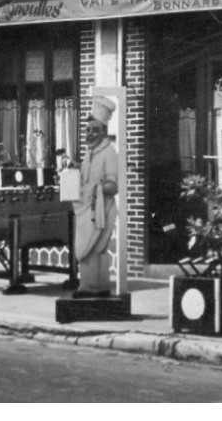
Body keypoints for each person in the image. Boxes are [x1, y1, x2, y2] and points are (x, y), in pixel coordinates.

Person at [73, 96, 120, 298]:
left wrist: (98, 188)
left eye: (95, 130)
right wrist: (73, 169)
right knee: (88, 251)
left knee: (94, 250)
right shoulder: (89, 153)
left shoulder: (109, 154)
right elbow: (85, 176)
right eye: (88, 130)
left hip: (103, 210)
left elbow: (113, 185)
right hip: (86, 210)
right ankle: (92, 287)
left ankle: (94, 288)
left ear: (104, 132)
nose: (90, 134)